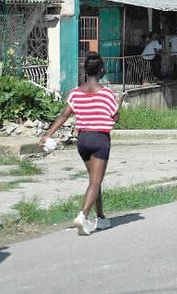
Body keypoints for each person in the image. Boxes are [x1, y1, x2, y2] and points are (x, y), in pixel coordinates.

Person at [41, 52, 120, 236]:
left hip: (83, 140)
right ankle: (83, 216)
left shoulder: (75, 93)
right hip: (100, 139)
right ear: (101, 70)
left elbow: (64, 115)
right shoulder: (106, 93)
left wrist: (47, 135)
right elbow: (115, 117)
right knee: (95, 181)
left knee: (94, 179)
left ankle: (100, 217)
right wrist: (118, 105)